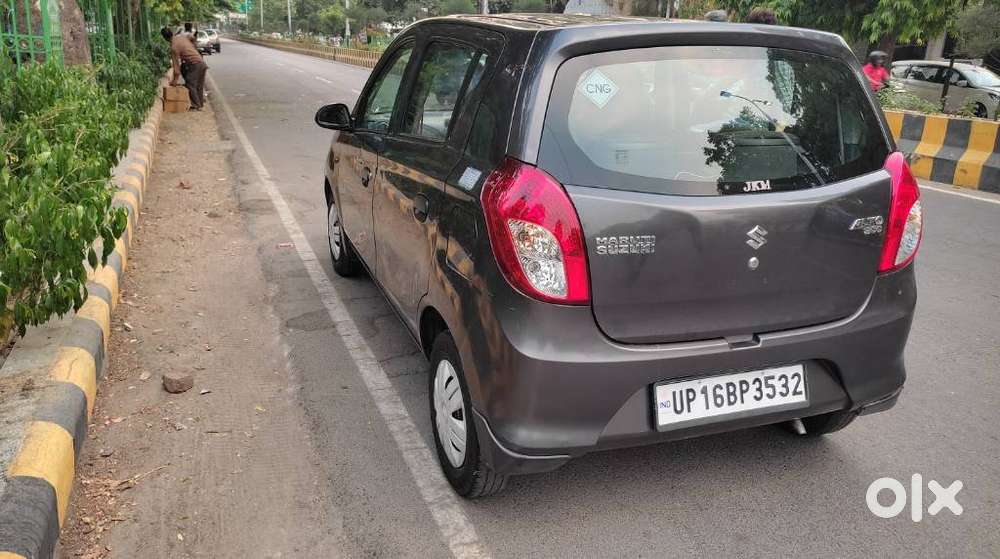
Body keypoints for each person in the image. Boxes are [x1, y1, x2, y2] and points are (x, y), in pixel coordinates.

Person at [160, 26, 208, 110]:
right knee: (198, 85)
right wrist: (193, 44)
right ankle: (200, 104)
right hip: (201, 63)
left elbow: (176, 68)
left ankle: (196, 105)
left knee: (190, 83)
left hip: (195, 64)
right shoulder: (181, 37)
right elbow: (192, 37)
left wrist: (174, 81)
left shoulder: (174, 47)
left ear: (164, 38)